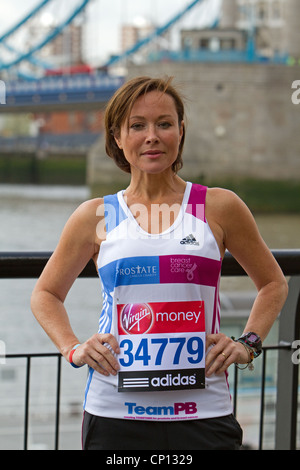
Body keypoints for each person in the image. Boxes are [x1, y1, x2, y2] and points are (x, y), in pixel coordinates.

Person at [31, 76, 288, 450]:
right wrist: (72, 348)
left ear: (180, 132)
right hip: (116, 413)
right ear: (117, 137)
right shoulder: (95, 215)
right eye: (137, 126)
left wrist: (247, 343)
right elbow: (45, 293)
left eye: (164, 124)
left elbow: (273, 284)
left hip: (202, 411)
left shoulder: (218, 206)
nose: (152, 136)